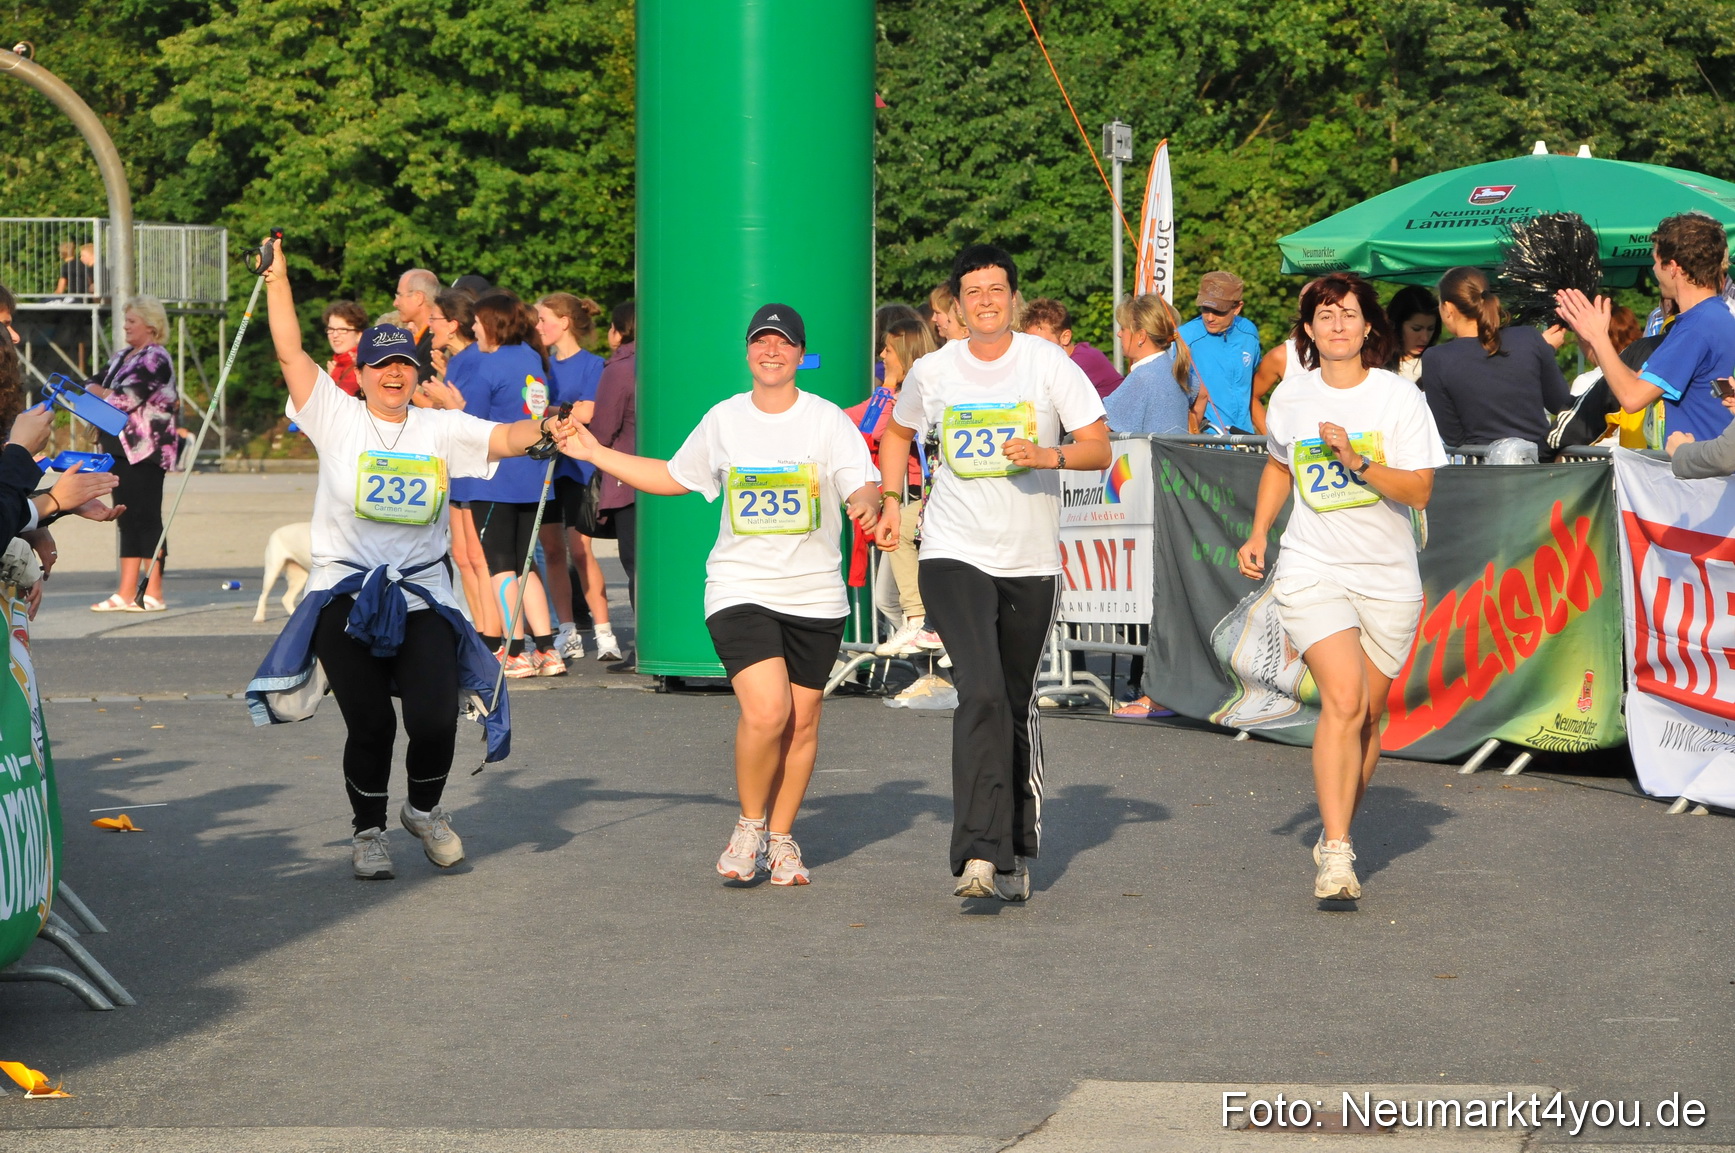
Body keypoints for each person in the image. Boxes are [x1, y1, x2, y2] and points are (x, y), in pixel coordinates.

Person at [247, 236, 554, 879]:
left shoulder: (439, 428)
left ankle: (423, 810)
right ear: (360, 373)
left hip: (420, 596)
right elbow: (290, 351)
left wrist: (549, 430)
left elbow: (506, 436)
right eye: (381, 365)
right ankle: (368, 832)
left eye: (405, 365)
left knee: (435, 719)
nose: (394, 374)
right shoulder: (335, 416)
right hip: (346, 593)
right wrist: (278, 280)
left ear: (418, 373)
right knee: (370, 724)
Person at [554, 303, 880, 886]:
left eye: (783, 343)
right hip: (740, 586)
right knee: (768, 710)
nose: (771, 351)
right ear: (748, 351)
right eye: (761, 341)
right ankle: (750, 825)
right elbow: (672, 476)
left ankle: (782, 839)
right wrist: (594, 453)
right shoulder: (725, 419)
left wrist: (867, 503)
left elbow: (862, 483)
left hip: (815, 593)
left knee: (803, 723)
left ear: (800, 354)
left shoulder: (828, 420)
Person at [875, 243, 1110, 901]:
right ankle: (978, 853)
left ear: (1012, 297)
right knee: (978, 690)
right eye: (972, 291)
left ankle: (1012, 846)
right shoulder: (933, 371)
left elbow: (1099, 447)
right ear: (955, 304)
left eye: (996, 289)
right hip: (952, 550)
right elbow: (896, 434)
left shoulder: (1046, 363)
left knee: (1010, 698)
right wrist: (892, 500)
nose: (985, 301)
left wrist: (1047, 454)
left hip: (1029, 560)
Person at [1235, 273, 1448, 902]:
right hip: (1312, 567)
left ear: (1368, 326)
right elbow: (1279, 465)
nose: (1336, 326)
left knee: (1369, 716)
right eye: (1324, 316)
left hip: (1387, 576)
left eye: (1348, 314)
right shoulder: (1292, 397)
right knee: (1345, 700)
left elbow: (1419, 491)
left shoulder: (1398, 398)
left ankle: (1339, 829)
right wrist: (1259, 531)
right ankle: (1335, 851)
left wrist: (1357, 460)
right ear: (1308, 329)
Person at [1558, 212, 1735, 445]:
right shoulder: (1713, 317)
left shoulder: (1696, 327)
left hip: (1699, 465)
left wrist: (1598, 337)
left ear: (1673, 267)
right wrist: (1596, 339)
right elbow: (1637, 382)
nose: (1653, 270)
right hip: (1705, 460)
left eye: (1655, 261)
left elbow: (1632, 398)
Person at [466, 292, 564, 677]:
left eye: (477, 322)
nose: (473, 328)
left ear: (492, 325)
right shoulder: (533, 358)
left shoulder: (489, 365)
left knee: (501, 565)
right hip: (534, 476)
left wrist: (443, 403)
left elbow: (471, 421)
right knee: (526, 563)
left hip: (495, 479)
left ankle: (515, 651)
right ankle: (547, 649)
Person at [847, 312, 938, 657]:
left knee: (897, 597)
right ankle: (932, 669)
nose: (881, 356)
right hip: (905, 501)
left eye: (887, 350)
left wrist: (887, 385)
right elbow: (853, 420)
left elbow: (873, 429)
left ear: (904, 353)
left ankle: (937, 662)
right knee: (888, 598)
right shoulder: (895, 396)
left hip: (920, 498)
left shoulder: (915, 395)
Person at [535, 292, 617, 663]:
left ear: (564, 322)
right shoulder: (540, 365)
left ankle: (604, 632)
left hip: (577, 467)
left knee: (581, 550)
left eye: (543, 319)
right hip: (544, 466)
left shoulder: (593, 364)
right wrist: (560, 412)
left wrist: (547, 411)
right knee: (552, 550)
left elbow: (587, 411)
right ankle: (567, 631)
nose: (538, 327)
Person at [85, 295, 179, 613]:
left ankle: (153, 592)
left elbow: (125, 399)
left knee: (147, 518)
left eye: (131, 321)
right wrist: (100, 391)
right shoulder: (122, 356)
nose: (125, 327)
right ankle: (125, 592)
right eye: (125, 321)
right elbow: (91, 383)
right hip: (117, 448)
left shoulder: (156, 357)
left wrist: (101, 393)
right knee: (125, 517)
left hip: (147, 450)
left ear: (151, 325)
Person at [420, 289, 501, 636]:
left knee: (478, 557)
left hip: (476, 467)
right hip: (454, 465)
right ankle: (479, 631)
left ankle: (494, 634)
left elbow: (475, 418)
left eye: (434, 318)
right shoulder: (456, 360)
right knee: (463, 555)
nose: (429, 325)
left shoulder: (477, 358)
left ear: (452, 324)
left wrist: (434, 399)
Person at [1420, 267, 1570, 453]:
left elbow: (1452, 436)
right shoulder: (1529, 337)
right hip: (1537, 462)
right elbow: (1561, 404)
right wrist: (1544, 351)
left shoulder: (1436, 358)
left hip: (1483, 464)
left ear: (1448, 308)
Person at [589, 301, 638, 620]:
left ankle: (645, 639)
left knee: (636, 566)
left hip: (627, 480)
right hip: (672, 475)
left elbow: (603, 431)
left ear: (620, 332)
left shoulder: (619, 370)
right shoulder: (667, 360)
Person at [1103, 293, 1205, 437]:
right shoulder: (1175, 369)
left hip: (1149, 452)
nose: (1119, 334)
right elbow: (1202, 394)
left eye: (1123, 328)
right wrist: (1187, 433)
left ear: (1141, 336)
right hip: (1173, 451)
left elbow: (1102, 427)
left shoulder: (1143, 377)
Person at [1179, 270, 1262, 433]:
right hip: (1204, 439)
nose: (1210, 318)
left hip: (1244, 437)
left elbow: (1252, 380)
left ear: (1237, 308)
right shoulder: (1185, 336)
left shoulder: (1249, 333)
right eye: (1205, 309)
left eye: (1219, 311)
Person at [1019, 297, 1124, 398]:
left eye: (1042, 344)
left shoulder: (1082, 361)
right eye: (1031, 344)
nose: (1035, 350)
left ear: (1065, 337)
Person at [392, 268, 442, 382]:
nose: (395, 303)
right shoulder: (421, 339)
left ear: (418, 297)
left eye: (399, 295)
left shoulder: (435, 344)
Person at [1385, 286, 1440, 383]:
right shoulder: (1373, 364)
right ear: (1396, 325)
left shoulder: (1438, 365)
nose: (1425, 338)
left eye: (1430, 329)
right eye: (1416, 329)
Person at [321, 301, 368, 397]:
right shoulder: (336, 366)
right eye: (331, 329)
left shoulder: (367, 365)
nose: (335, 335)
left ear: (359, 335)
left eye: (343, 330)